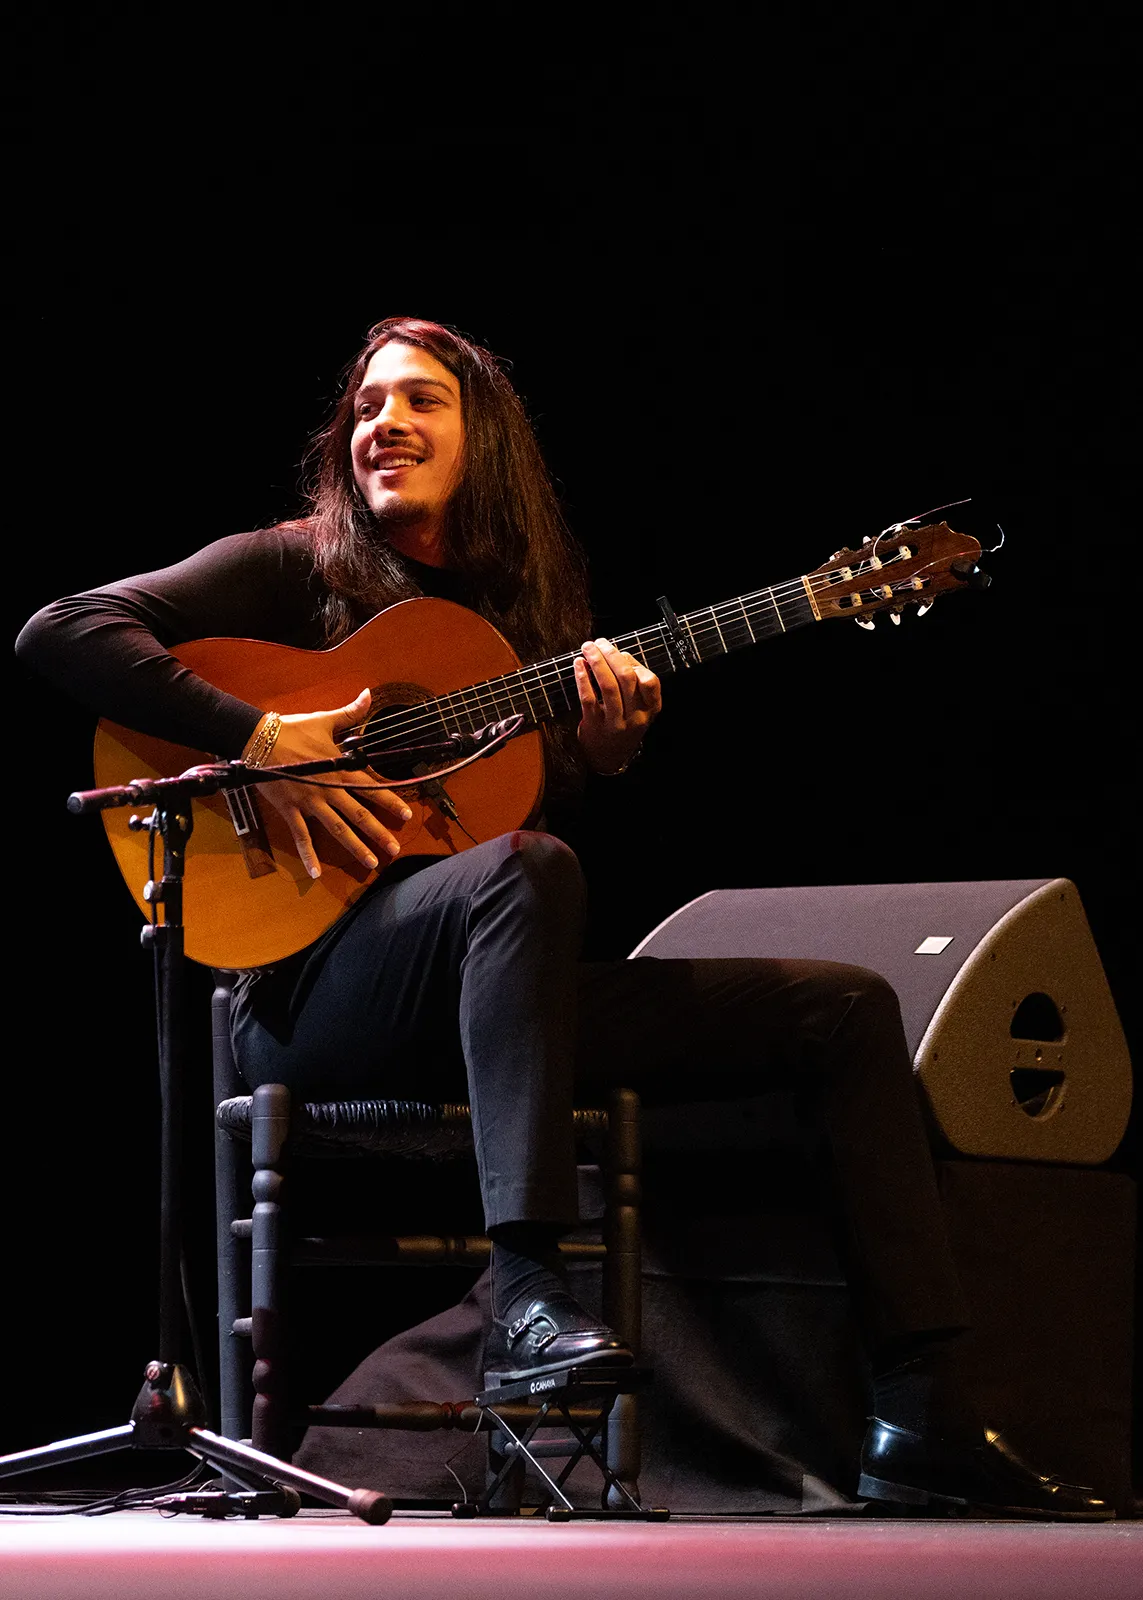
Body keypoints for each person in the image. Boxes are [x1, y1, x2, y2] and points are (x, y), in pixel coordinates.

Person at [16, 317, 1109, 1519]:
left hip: (492, 997)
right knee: (527, 873)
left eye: (422, 401)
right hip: (305, 1000)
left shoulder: (523, 612)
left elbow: (499, 823)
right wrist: (263, 738)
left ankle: (923, 1413)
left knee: (846, 1009)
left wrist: (602, 750)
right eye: (368, 406)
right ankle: (529, 1295)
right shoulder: (295, 568)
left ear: (485, 440)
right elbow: (60, 630)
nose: (387, 423)